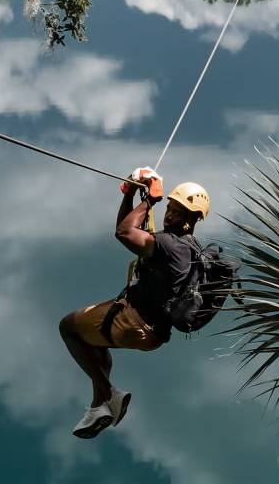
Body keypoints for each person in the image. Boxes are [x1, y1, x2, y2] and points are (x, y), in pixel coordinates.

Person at [58, 167, 210, 438]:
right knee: (94, 340)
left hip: (133, 321)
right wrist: (128, 195)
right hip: (154, 335)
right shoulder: (189, 250)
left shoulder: (169, 245)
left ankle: (108, 394)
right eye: (170, 207)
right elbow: (126, 228)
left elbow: (124, 233)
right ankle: (98, 406)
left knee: (68, 327)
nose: (170, 213)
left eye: (178, 211)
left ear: (191, 219)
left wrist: (149, 201)